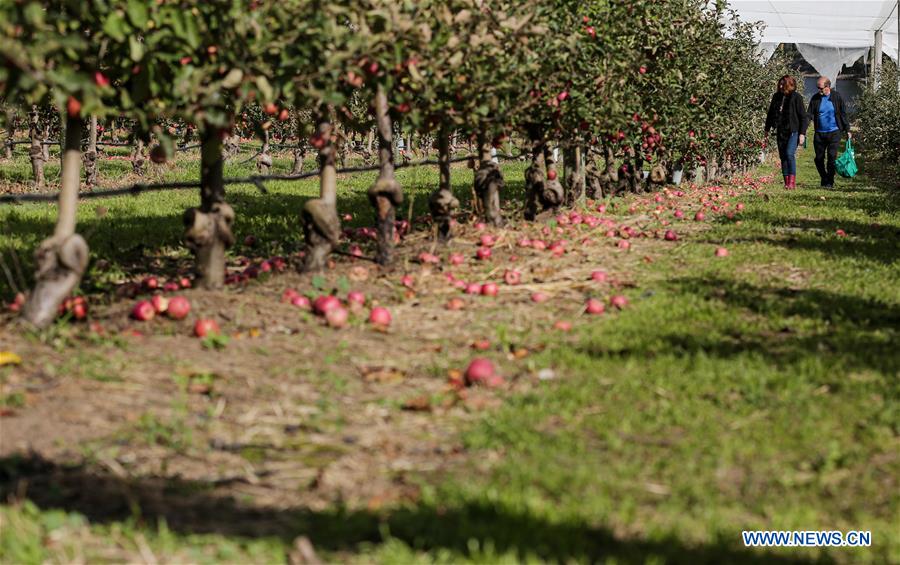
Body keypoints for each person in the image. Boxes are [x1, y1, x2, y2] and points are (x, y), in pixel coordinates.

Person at [806, 76, 851, 188]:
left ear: (828, 86)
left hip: (834, 132)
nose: (819, 90)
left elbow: (843, 113)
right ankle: (824, 177)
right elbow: (809, 115)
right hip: (820, 133)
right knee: (819, 158)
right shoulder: (815, 98)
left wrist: (847, 129)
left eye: (821, 88)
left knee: (831, 157)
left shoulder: (836, 96)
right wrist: (803, 129)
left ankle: (830, 181)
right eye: (818, 88)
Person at [765, 75, 808, 189]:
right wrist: (767, 129)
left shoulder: (796, 97)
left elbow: (803, 117)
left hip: (793, 131)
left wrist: (802, 133)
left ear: (789, 85)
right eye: (779, 84)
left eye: (783, 84)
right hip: (781, 130)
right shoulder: (776, 97)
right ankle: (786, 182)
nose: (780, 86)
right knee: (783, 156)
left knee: (789, 154)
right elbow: (770, 114)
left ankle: (792, 183)